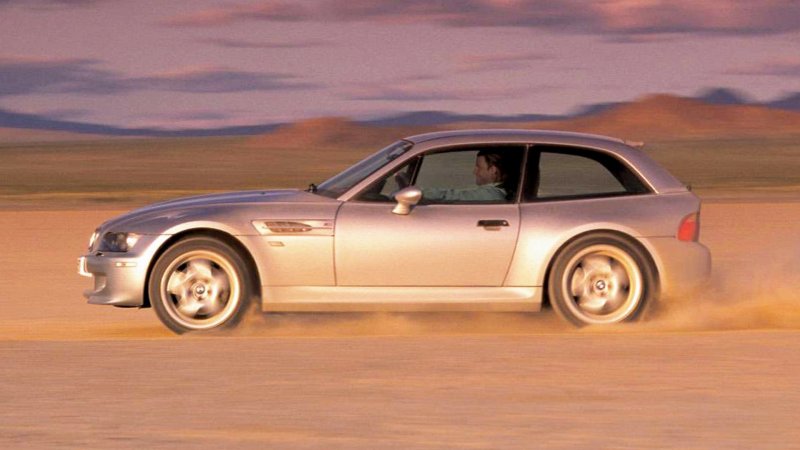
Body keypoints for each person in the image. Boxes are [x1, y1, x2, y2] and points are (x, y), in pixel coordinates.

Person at [396, 149, 513, 202]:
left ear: (493, 170)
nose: (475, 172)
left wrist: (419, 193)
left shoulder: (491, 194)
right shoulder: (497, 192)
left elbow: (453, 195)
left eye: (479, 167)